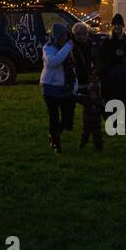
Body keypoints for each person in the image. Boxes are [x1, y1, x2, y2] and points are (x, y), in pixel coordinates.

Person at [40, 23, 76, 154]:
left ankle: (55, 134)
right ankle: (56, 143)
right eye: (62, 37)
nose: (64, 39)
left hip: (65, 88)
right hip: (50, 88)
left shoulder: (66, 49)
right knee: (53, 117)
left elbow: (72, 69)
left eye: (66, 37)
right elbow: (54, 62)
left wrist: (74, 86)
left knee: (67, 119)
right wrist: (68, 47)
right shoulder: (48, 48)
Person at [71, 22, 103, 151]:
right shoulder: (72, 47)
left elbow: (96, 59)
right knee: (88, 103)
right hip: (79, 77)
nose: (82, 37)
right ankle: (88, 131)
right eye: (79, 34)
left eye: (84, 34)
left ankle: (92, 135)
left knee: (92, 102)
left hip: (89, 77)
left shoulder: (90, 44)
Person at [97, 13, 126, 108]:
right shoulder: (108, 42)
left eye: (119, 25)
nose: (117, 27)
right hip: (112, 80)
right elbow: (103, 60)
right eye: (115, 25)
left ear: (122, 26)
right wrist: (115, 56)